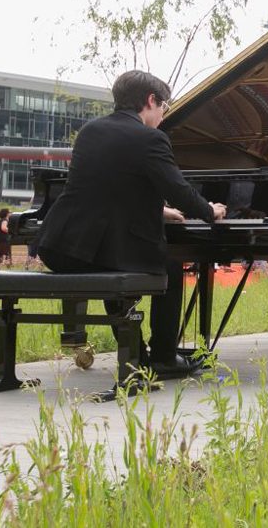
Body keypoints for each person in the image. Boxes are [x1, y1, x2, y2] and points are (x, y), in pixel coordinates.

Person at [37, 70, 227, 378]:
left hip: (60, 247)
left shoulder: (90, 131)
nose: (164, 116)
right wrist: (210, 210)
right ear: (151, 101)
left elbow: (107, 187)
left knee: (115, 256)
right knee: (170, 264)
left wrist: (160, 211)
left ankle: (136, 353)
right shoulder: (151, 138)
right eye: (164, 107)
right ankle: (164, 357)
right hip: (97, 253)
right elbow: (178, 190)